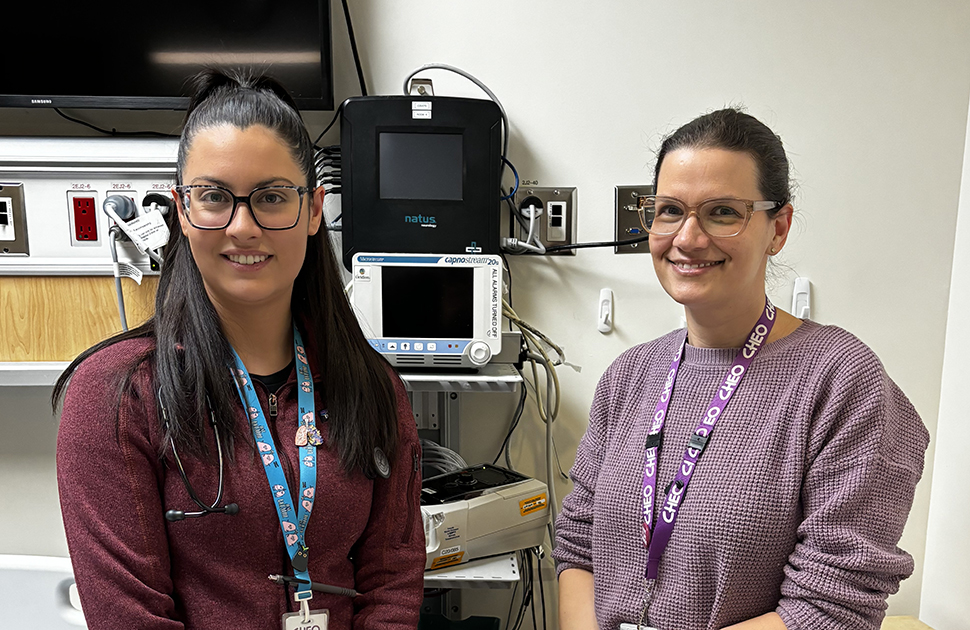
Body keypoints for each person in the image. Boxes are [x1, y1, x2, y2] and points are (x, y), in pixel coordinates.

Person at [54, 70, 425, 629]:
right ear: (181, 208)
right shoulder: (116, 396)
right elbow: (131, 618)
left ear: (314, 210)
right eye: (214, 198)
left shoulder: (372, 389)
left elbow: (391, 581)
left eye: (272, 197)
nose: (243, 227)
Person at [553, 108, 929, 630]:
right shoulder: (630, 374)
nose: (687, 237)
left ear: (778, 228)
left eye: (723, 212)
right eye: (668, 211)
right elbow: (578, 544)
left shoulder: (842, 380)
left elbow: (831, 606)